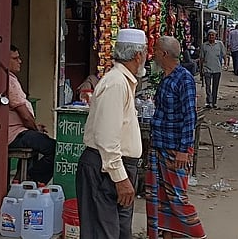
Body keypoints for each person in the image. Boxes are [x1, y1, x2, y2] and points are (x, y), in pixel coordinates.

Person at [79, 28, 148, 239]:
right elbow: (107, 140)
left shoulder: (123, 81)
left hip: (116, 167)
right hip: (106, 168)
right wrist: (120, 179)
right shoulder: (116, 83)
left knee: (119, 232)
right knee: (104, 232)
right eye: (145, 52)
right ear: (138, 55)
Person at [146, 36, 207, 239]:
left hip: (174, 148)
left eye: (155, 50)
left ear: (164, 54)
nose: (152, 54)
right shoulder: (166, 77)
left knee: (178, 198)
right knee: (161, 196)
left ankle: (197, 234)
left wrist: (184, 150)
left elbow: (190, 117)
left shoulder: (184, 79)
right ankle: (170, 234)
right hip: (159, 145)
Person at [5, 45, 56, 183]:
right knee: (55, 149)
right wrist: (35, 129)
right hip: (15, 135)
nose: (20, 61)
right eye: (15, 58)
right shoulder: (8, 82)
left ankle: (23, 177)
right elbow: (26, 117)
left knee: (40, 140)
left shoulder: (10, 79)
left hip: (19, 131)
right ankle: (31, 179)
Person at [200, 29, 226, 109]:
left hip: (217, 68)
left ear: (215, 36)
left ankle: (214, 102)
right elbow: (201, 58)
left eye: (213, 35)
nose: (211, 36)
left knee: (215, 86)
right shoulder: (204, 45)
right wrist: (201, 69)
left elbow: (224, 54)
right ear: (207, 36)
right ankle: (209, 102)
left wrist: (226, 64)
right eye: (210, 35)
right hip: (207, 68)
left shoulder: (220, 44)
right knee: (208, 86)